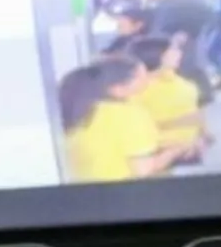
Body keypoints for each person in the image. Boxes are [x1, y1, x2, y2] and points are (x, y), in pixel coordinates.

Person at [59, 54, 182, 182]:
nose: (148, 81)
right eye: (142, 78)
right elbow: (143, 170)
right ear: (118, 89)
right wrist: (175, 151)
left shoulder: (80, 112)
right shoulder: (130, 115)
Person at [129, 35, 208, 165]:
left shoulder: (177, 79)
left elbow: (194, 111)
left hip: (191, 151)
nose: (179, 54)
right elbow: (136, 127)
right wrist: (177, 123)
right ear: (155, 56)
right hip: (159, 154)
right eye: (172, 51)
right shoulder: (137, 89)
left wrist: (201, 136)